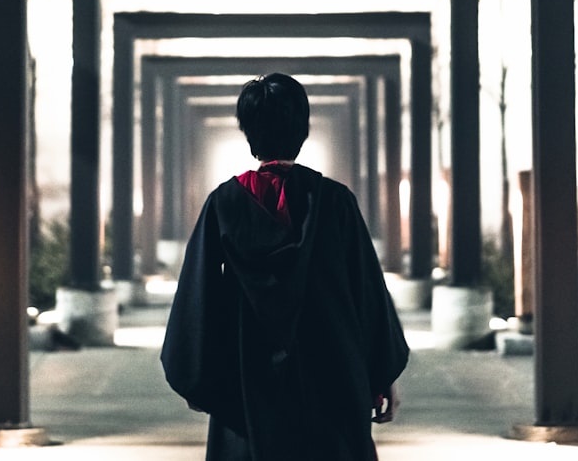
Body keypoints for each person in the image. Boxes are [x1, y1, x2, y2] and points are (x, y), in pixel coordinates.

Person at [161, 73, 409, 461]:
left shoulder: (224, 204)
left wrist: (199, 378)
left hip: (248, 378)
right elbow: (367, 295)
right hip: (332, 375)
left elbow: (199, 296)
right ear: (303, 129)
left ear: (248, 132)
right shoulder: (336, 202)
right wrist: (382, 376)